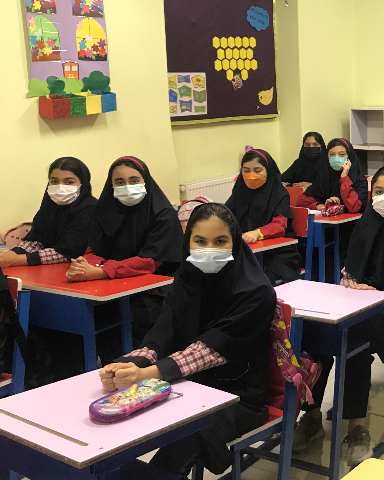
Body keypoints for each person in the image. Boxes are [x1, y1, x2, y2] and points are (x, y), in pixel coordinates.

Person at [100, 203, 276, 477]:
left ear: (235, 241)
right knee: (119, 433)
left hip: (237, 397)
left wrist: (146, 374)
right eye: (200, 241)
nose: (209, 249)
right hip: (189, 384)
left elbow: (209, 350)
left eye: (220, 241)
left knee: (176, 450)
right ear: (188, 242)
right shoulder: (187, 277)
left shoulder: (257, 291)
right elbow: (164, 330)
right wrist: (130, 363)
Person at [293, 166, 384, 466]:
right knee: (319, 332)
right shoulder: (365, 225)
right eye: (380, 192)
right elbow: (347, 272)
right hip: (363, 302)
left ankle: (357, 428)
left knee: (354, 337)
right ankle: (311, 414)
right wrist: (352, 285)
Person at [67, 156, 182, 344]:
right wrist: (83, 265)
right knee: (81, 311)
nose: (127, 187)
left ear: (146, 181)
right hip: (113, 284)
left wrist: (102, 271)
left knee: (140, 313)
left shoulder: (163, 214)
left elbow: (149, 262)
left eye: (134, 180)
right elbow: (93, 249)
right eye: (119, 182)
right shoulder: (104, 211)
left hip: (157, 288)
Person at [0, 157, 96, 268]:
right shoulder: (49, 205)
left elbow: (68, 252)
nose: (60, 187)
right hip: (45, 267)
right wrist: (13, 253)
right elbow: (36, 239)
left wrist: (17, 260)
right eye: (54, 181)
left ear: (83, 183)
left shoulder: (90, 209)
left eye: (69, 182)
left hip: (77, 269)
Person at [225, 148, 301, 285]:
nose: (251, 175)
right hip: (246, 249)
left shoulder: (279, 194)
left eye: (257, 170)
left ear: (268, 171)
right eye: (246, 170)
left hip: (276, 253)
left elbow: (279, 225)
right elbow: (225, 215)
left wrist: (258, 233)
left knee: (254, 280)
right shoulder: (239, 190)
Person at [295, 137, 368, 213]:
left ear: (350, 158)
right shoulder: (324, 177)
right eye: (332, 155)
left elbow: (355, 207)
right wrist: (320, 206)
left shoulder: (359, 180)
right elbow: (301, 201)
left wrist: (344, 178)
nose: (336, 158)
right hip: (328, 219)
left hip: (352, 220)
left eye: (341, 154)